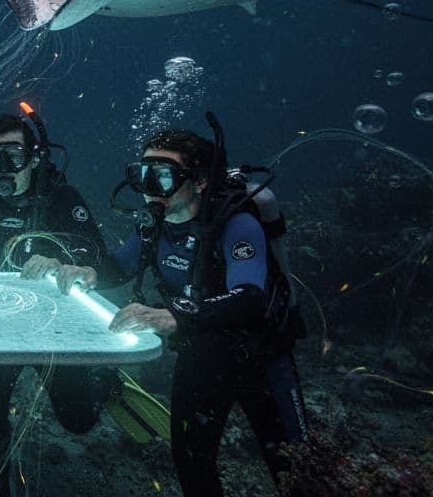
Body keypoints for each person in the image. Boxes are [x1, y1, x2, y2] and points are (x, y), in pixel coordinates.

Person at [0, 111, 117, 497]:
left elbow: (95, 253)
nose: (4, 168)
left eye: (14, 155)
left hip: (54, 327)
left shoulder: (61, 194)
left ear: (34, 156)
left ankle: (106, 381)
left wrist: (64, 261)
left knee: (77, 420)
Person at [108, 126, 307, 497]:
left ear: (199, 181)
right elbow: (115, 268)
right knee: (191, 462)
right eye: (143, 175)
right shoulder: (153, 228)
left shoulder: (237, 223)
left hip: (260, 363)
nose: (151, 188)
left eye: (163, 176)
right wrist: (78, 269)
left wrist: (176, 316)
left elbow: (250, 297)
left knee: (297, 469)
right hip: (200, 358)